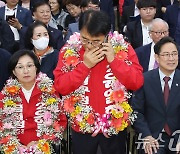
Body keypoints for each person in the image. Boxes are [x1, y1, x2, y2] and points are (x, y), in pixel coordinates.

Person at [54, 10, 144, 154]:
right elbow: (60, 87)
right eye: (85, 39)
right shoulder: (69, 50)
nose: (89, 45)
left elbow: (136, 82)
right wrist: (84, 66)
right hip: (82, 128)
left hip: (115, 126)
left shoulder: (123, 48)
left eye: (96, 41)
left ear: (107, 35)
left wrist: (114, 61)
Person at [0, 49, 67, 153]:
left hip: (45, 146)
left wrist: (40, 144)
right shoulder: (5, 95)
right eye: (20, 67)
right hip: (13, 147)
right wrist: (16, 146)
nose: (26, 71)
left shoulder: (49, 91)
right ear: (14, 71)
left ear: (36, 68)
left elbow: (60, 121)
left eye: (30, 66)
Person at [132, 36, 180, 154]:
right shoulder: (145, 79)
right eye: (166, 55)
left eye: (174, 54)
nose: (171, 58)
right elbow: (136, 112)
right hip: (152, 136)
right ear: (157, 58)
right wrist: (146, 136)